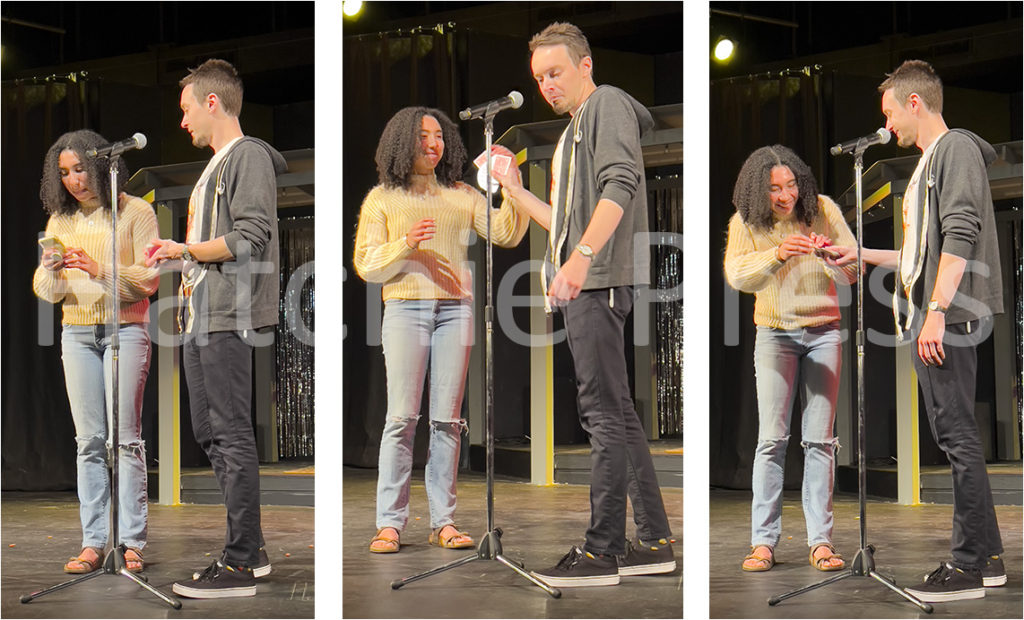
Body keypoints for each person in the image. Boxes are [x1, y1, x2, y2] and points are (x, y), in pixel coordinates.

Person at [489, 22, 675, 588]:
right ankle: (655, 541)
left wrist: (582, 259)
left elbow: (622, 184)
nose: (546, 84)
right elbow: (566, 222)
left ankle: (602, 551)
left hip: (598, 282)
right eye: (539, 77)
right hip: (590, 280)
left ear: (585, 64)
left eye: (555, 72)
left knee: (601, 412)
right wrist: (515, 190)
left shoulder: (606, 105)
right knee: (616, 411)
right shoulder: (575, 128)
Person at [829, 59, 1005, 603]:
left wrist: (936, 310)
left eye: (889, 114)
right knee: (956, 436)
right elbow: (918, 252)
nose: (887, 126)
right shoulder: (931, 161)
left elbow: (961, 233)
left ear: (915, 102)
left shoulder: (955, 150)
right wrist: (861, 253)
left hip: (948, 315)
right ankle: (988, 559)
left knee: (957, 437)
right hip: (937, 312)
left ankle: (968, 566)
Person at [353, 106, 529, 554]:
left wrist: (513, 188)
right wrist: (406, 243)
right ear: (401, 143)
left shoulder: (461, 194)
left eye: (438, 136)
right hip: (405, 309)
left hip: (456, 311)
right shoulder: (382, 199)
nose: (433, 144)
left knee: (448, 421)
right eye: (422, 136)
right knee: (401, 419)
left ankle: (443, 522)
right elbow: (367, 264)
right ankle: (389, 524)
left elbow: (506, 233)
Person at [146, 58, 285, 599]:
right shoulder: (215, 166)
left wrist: (184, 249)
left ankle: (241, 560)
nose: (182, 122)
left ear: (212, 102)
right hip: (199, 313)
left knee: (230, 431)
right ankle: (252, 548)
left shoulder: (247, 156)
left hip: (227, 314)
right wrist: (178, 255)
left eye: (186, 110)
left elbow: (251, 236)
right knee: (209, 431)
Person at [723, 145, 858, 574]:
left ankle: (821, 542)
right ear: (756, 191)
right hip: (775, 335)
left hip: (823, 333)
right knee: (771, 440)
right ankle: (763, 542)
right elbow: (737, 275)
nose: (786, 196)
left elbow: (852, 270)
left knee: (820, 441)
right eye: (774, 189)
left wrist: (829, 256)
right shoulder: (746, 222)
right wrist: (778, 254)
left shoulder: (823, 210)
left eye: (791, 185)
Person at [33, 129, 159, 575]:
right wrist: (51, 270)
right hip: (77, 334)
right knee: (88, 442)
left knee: (125, 440)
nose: (74, 180)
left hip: (125, 330)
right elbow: (47, 292)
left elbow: (147, 280)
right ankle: (92, 541)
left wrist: (98, 268)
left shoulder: (135, 212)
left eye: (80, 169)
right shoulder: (60, 221)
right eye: (65, 173)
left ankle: (130, 541)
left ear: (102, 166)